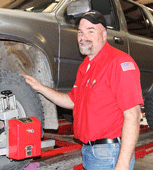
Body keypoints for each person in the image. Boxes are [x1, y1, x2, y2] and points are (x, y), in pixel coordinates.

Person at [22, 10, 143, 170]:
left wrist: (123, 164)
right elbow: (72, 101)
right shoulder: (85, 66)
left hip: (110, 153)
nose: (83, 37)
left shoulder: (119, 62)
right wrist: (40, 87)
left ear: (104, 35)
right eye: (80, 32)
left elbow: (133, 116)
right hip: (89, 151)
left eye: (90, 31)